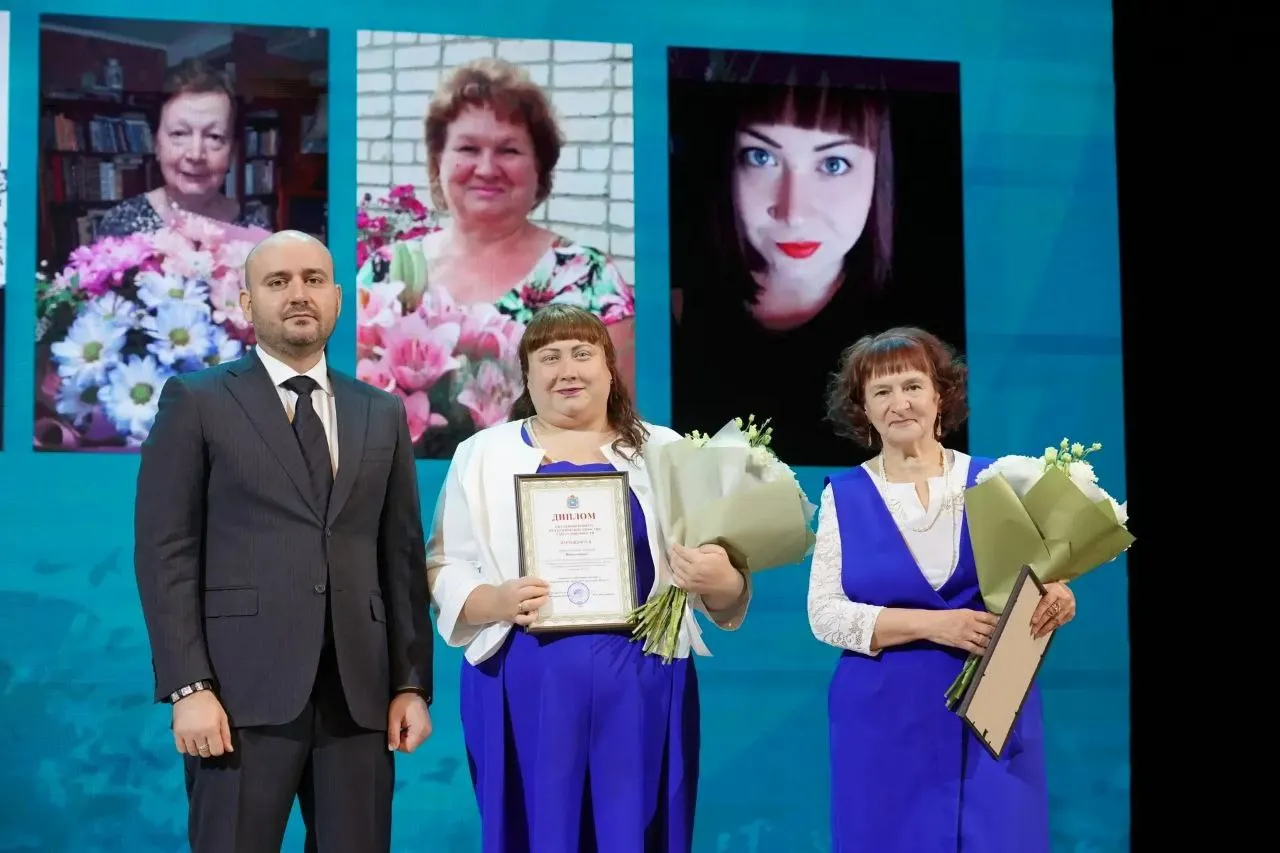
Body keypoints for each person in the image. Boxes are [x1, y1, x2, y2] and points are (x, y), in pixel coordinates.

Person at [133, 230, 433, 852]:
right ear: (247, 303)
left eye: (313, 280)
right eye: (278, 282)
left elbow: (401, 557)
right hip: (237, 696)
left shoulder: (380, 411)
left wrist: (410, 684)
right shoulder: (197, 400)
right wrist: (189, 687)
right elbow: (166, 554)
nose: (299, 294)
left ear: (338, 299)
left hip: (359, 699)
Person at [427, 304, 751, 852]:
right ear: (527, 376)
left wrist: (720, 578)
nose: (567, 370)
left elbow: (725, 587)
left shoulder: (666, 450)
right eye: (548, 357)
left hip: (645, 680)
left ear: (609, 367)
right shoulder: (481, 454)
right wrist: (495, 601)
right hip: (524, 678)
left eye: (582, 353)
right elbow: (443, 564)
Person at [807, 327, 1076, 853]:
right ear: (863, 407)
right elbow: (825, 614)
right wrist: (937, 625)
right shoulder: (845, 495)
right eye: (881, 391)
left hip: (993, 705)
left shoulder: (997, 480)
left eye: (912, 386)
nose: (899, 403)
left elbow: (1041, 576)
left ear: (940, 394)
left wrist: (1060, 595)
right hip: (884, 716)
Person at [355, 57, 635, 460]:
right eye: (468, 148)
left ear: (540, 167)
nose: (487, 168)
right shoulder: (383, 275)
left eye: (509, 150)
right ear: (439, 161)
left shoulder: (590, 278)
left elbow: (619, 429)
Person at [97, 58, 272, 238]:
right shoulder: (121, 224)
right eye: (179, 134)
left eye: (214, 137)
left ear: (232, 152)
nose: (195, 154)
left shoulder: (255, 229)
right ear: (157, 144)